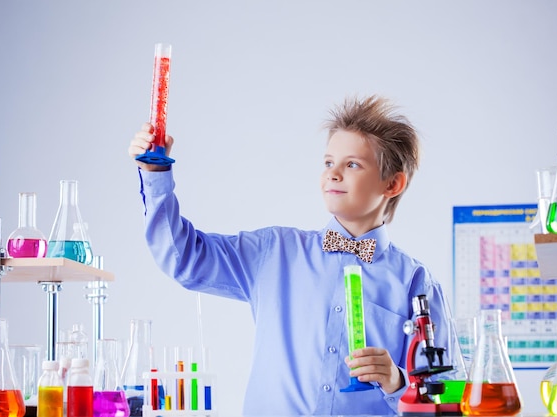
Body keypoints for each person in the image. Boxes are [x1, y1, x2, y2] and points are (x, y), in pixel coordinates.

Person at [128, 95, 453, 416]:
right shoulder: (273, 253)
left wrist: (399, 383)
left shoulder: (416, 283)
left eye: (352, 164)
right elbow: (182, 258)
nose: (333, 174)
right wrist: (154, 176)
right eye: (328, 162)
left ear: (392, 184)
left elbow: (447, 400)